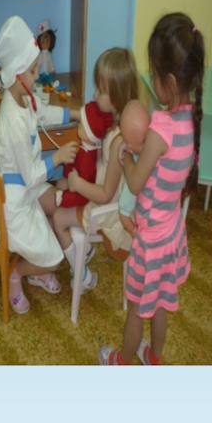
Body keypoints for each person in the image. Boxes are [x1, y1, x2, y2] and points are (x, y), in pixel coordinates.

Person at [99, 12, 204, 365]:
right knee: (160, 304)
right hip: (172, 232)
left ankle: (122, 361)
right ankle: (154, 357)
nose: (152, 81)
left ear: (170, 82)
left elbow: (134, 182)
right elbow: (165, 164)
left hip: (150, 242)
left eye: (155, 75)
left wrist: (126, 155)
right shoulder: (190, 118)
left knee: (135, 310)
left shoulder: (161, 126)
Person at [0, 16, 80, 314]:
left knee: (58, 203)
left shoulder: (23, 96)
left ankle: (37, 264)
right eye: (34, 70)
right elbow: (31, 175)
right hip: (14, 199)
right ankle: (18, 273)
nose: (37, 76)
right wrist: (58, 158)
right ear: (16, 74)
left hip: (28, 185)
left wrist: (75, 114)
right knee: (54, 258)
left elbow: (44, 112)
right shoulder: (11, 120)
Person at [52, 48, 141, 292]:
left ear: (117, 96)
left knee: (58, 218)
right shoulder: (113, 122)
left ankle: (83, 276)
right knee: (59, 185)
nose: (95, 94)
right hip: (99, 193)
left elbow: (106, 194)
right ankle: (85, 251)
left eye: (100, 91)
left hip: (106, 210)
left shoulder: (119, 141)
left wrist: (78, 184)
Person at [55, 100, 113, 208]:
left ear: (88, 135)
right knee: (59, 183)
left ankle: (63, 199)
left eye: (81, 125)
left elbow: (84, 177)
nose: (78, 126)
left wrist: (72, 175)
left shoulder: (87, 157)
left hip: (82, 188)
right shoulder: (88, 149)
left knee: (66, 196)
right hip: (78, 179)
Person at [117, 100, 151, 237]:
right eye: (144, 141)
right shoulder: (135, 167)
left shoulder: (152, 148)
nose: (150, 141)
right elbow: (123, 212)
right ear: (130, 149)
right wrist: (133, 230)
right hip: (145, 224)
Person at [36, 19, 57, 86]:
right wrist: (36, 70)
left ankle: (51, 83)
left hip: (48, 72)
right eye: (43, 42)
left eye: (48, 41)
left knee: (50, 78)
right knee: (38, 80)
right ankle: (38, 85)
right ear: (39, 42)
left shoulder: (49, 54)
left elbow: (51, 62)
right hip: (41, 72)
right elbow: (38, 62)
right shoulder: (40, 54)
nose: (45, 44)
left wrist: (53, 69)